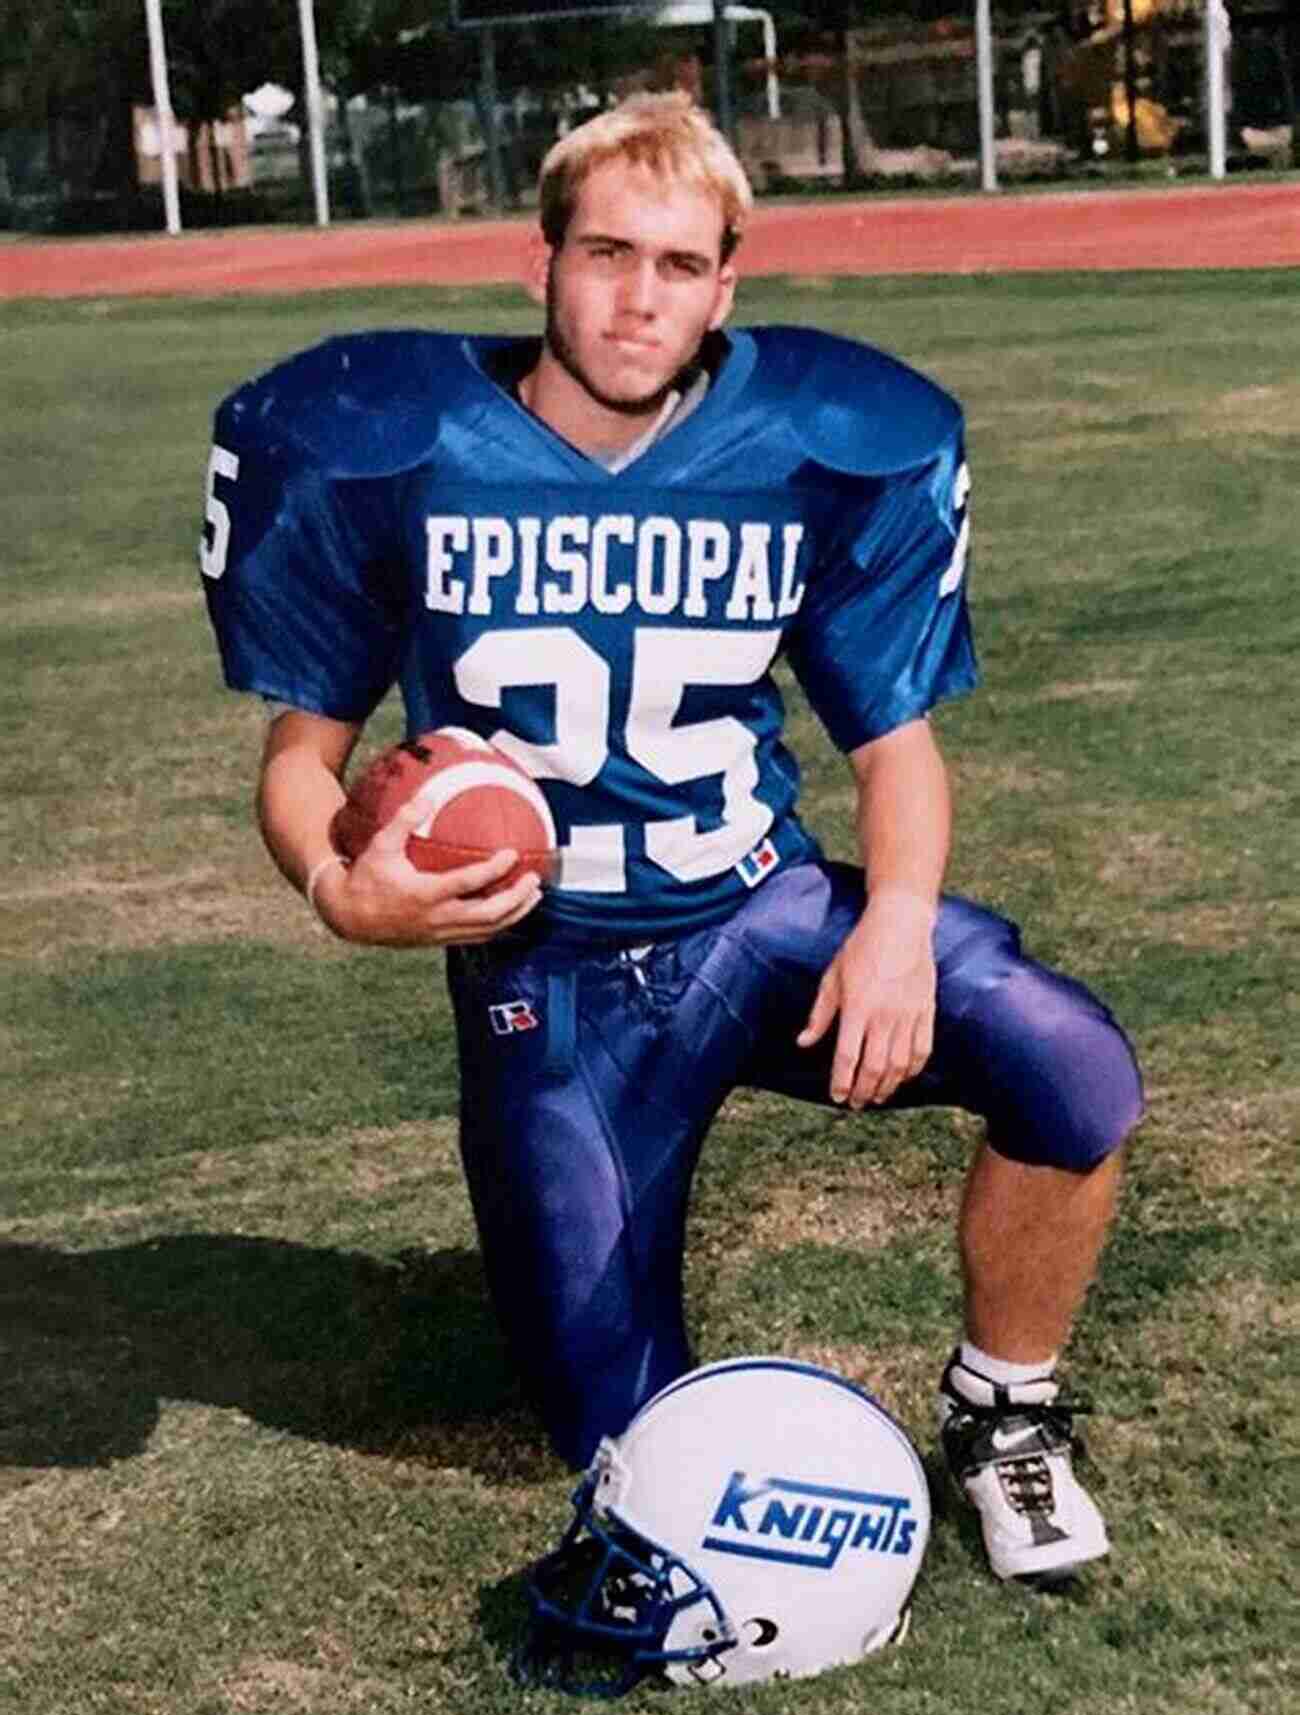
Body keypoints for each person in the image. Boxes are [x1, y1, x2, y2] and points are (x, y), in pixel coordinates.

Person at [200, 92, 1143, 1584]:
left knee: (1074, 1066)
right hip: (552, 978)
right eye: (604, 254)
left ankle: (1004, 1410)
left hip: (757, 921)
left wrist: (895, 926)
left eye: (678, 265)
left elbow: (897, 750)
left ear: (727, 284)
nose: (638, 299)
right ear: (540, 261)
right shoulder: (397, 449)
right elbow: (299, 759)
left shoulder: (813, 449)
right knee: (612, 1431)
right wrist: (337, 883)